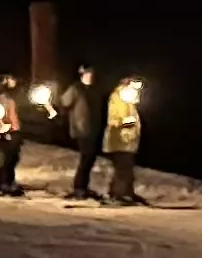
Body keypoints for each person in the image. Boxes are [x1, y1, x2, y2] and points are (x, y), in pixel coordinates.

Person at [61, 65, 107, 200]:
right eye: (87, 74)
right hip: (82, 129)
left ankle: (83, 186)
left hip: (94, 128)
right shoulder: (76, 88)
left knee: (90, 158)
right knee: (86, 158)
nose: (90, 77)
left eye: (91, 74)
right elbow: (64, 102)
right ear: (82, 76)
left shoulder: (95, 90)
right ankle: (79, 187)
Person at [101, 77, 147, 204]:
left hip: (128, 143)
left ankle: (127, 192)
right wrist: (125, 122)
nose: (137, 92)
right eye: (134, 88)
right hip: (119, 141)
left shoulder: (129, 101)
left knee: (127, 169)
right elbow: (113, 121)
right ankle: (117, 194)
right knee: (122, 169)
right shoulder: (117, 99)